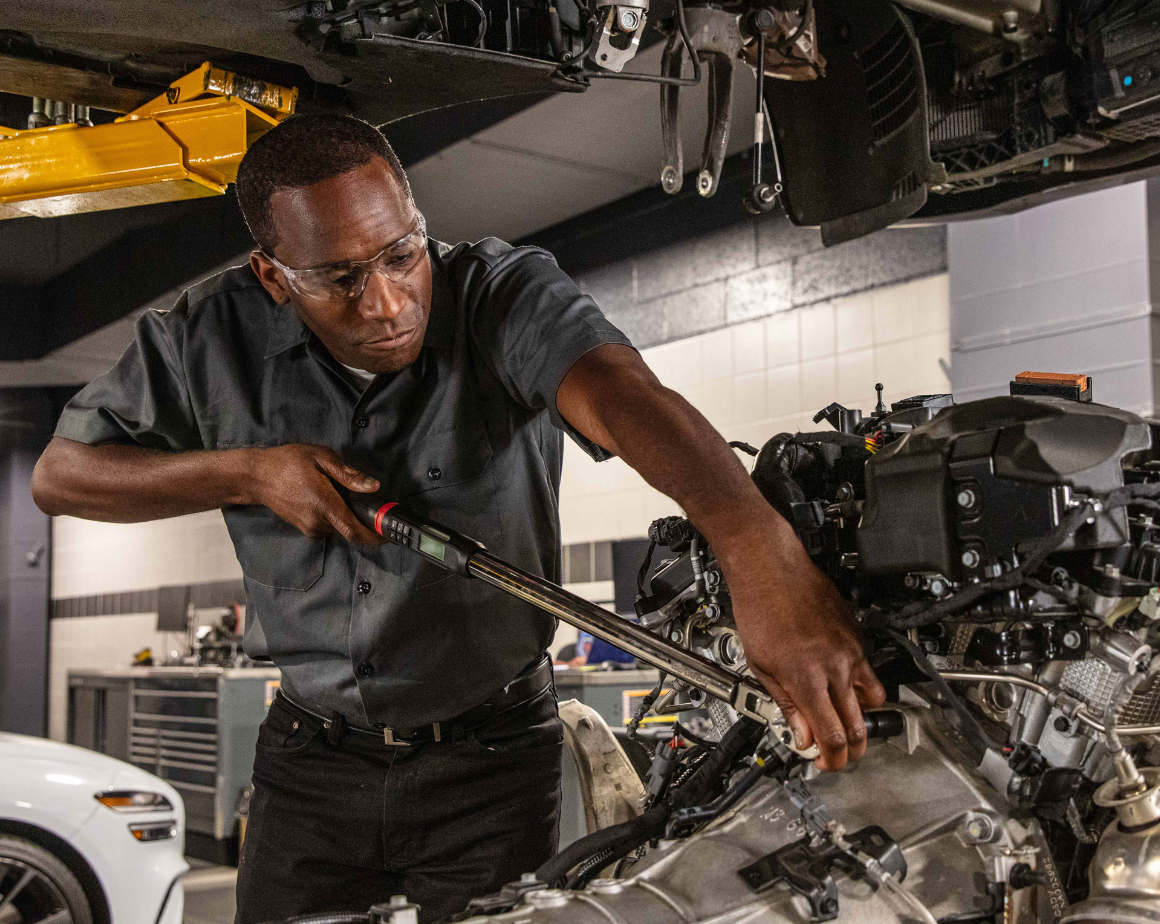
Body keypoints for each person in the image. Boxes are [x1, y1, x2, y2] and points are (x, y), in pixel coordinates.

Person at [31, 114, 884, 922]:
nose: (388, 304)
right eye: (340, 280)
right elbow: (62, 476)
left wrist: (756, 547)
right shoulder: (204, 339)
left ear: (417, 222)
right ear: (273, 275)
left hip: (493, 760)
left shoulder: (499, 293)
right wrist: (248, 473)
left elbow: (624, 397)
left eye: (401, 256)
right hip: (309, 764)